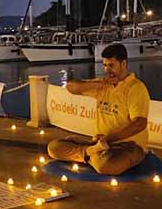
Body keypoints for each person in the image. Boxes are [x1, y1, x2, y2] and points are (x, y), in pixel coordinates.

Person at [48, 43, 149, 175]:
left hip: (129, 146)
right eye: (105, 65)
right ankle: (91, 153)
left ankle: (88, 154)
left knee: (107, 165)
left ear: (123, 64)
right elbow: (70, 87)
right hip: (99, 144)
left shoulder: (135, 88)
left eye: (111, 65)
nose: (107, 70)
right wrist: (100, 83)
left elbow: (139, 124)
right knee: (53, 148)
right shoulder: (103, 84)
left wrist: (108, 139)